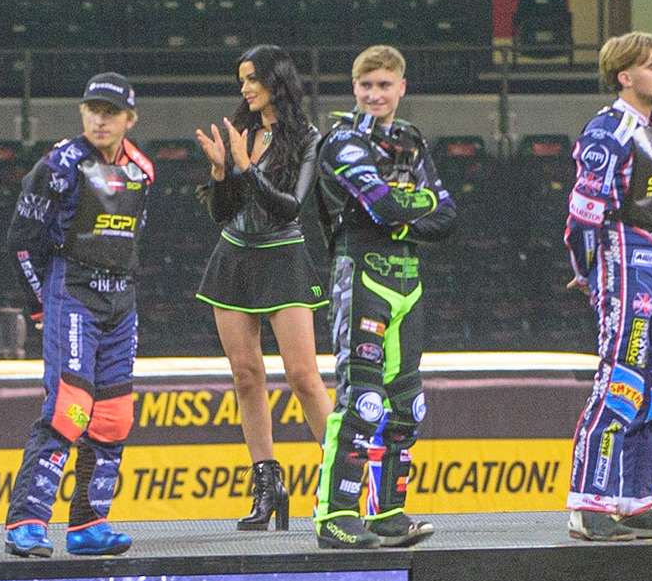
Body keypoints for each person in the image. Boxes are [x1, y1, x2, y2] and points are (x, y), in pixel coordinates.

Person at [311, 45, 456, 550]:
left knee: (407, 405)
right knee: (362, 400)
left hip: (408, 279)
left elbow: (448, 215)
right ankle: (336, 513)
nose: (374, 94)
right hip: (361, 273)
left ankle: (389, 514)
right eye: (366, 85)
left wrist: (403, 214)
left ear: (401, 88)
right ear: (354, 88)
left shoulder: (411, 140)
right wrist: (412, 209)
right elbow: (390, 204)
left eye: (384, 85)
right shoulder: (342, 140)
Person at [3, 73, 152, 558]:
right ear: (82, 112)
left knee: (112, 417)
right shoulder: (56, 166)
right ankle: (25, 523)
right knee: (69, 408)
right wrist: (40, 303)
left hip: (121, 298)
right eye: (93, 109)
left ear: (130, 119)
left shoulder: (143, 170)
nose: (100, 119)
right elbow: (22, 241)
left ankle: (89, 525)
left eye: (111, 112)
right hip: (72, 292)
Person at [193, 45, 331, 531]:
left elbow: (291, 207)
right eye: (242, 81)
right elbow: (222, 213)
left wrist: (247, 169)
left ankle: (344, 481)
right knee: (247, 377)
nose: (246, 89)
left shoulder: (308, 137)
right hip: (234, 256)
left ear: (276, 80)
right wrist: (219, 173)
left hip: (283, 256)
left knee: (303, 376)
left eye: (252, 79)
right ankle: (267, 485)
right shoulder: (240, 130)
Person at [561, 32, 652, 541]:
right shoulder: (607, 131)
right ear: (624, 76)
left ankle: (635, 501)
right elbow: (581, 215)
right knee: (619, 385)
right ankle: (588, 504)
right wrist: (589, 273)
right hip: (625, 268)